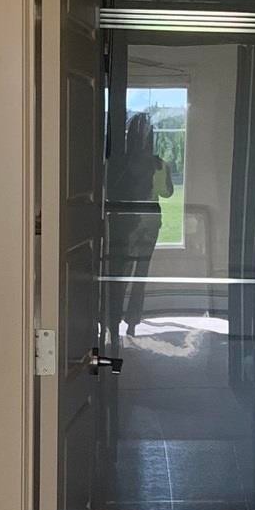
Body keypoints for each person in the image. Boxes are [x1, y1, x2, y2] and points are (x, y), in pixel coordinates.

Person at [105, 109, 174, 340]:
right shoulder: (158, 164)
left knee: (119, 272)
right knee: (140, 274)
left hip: (126, 222)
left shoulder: (118, 163)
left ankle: (112, 319)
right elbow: (167, 193)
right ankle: (133, 322)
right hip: (151, 221)